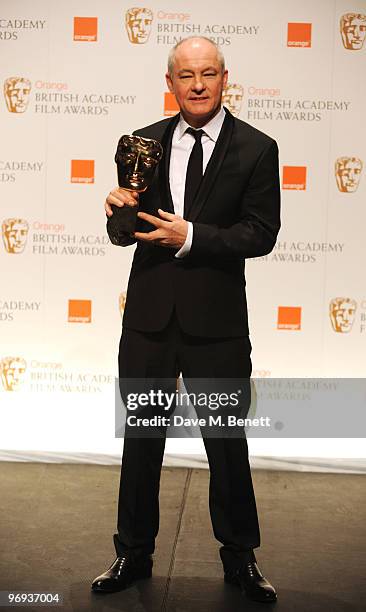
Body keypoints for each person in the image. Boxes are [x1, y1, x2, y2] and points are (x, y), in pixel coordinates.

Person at [92, 36, 281, 604]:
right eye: (185, 75)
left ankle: (241, 559)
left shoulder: (257, 148)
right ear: (169, 82)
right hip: (149, 317)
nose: (197, 85)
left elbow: (261, 233)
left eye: (208, 74)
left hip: (217, 322)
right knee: (141, 440)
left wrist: (191, 237)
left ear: (226, 79)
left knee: (227, 442)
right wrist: (118, 214)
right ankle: (132, 551)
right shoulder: (141, 142)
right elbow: (124, 236)